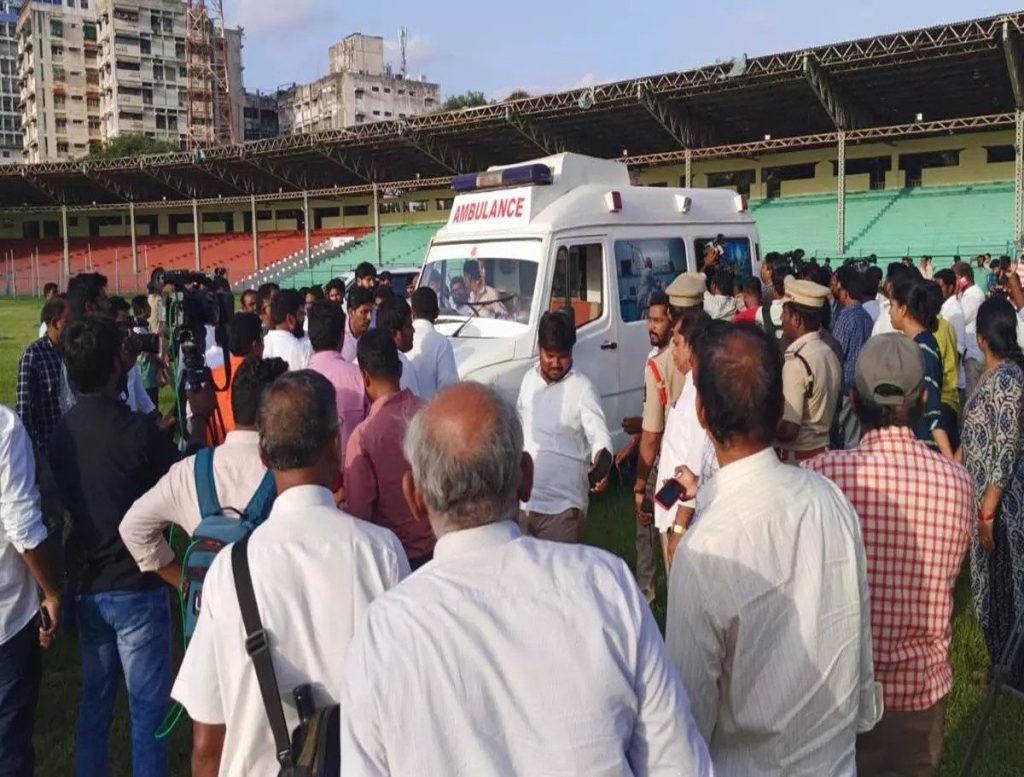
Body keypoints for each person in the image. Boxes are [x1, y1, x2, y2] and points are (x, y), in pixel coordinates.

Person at [339, 382, 714, 776]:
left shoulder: (383, 633)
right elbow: (679, 765)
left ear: (414, 497)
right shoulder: (606, 586)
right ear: (525, 478)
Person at [665, 320, 881, 776]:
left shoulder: (704, 551)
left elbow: (687, 725)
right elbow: (857, 641)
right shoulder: (830, 500)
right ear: (778, 407)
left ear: (702, 414)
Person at [172, 370, 408, 777]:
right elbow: (407, 702)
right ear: (336, 446)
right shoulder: (381, 552)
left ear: (264, 457)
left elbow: (207, 743)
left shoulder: (230, 569)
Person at [803, 333, 973, 775]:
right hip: (919, 699)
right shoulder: (957, 485)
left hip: (838, 694)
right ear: (921, 399)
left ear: (854, 400)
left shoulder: (821, 476)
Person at [47, 316, 191, 777]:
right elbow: (175, 483)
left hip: (88, 579)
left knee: (96, 701)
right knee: (147, 711)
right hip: (136, 583)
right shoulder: (136, 432)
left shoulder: (62, 435)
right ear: (116, 365)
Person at [120, 356, 288, 588]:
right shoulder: (289, 475)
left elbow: (132, 527)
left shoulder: (188, 471)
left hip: (207, 614)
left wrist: (185, 584)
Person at [962, 296, 1024, 691]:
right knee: (993, 583)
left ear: (982, 338)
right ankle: (1000, 667)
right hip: (989, 498)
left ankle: (1007, 673)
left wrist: (987, 511)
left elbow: (1003, 447)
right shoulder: (999, 374)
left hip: (999, 504)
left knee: (1003, 587)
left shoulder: (1007, 380)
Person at [0, 406, 61, 777]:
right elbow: (22, 527)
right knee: (9, 749)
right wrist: (51, 591)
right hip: (7, 620)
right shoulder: (4, 428)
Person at [516, 310, 612, 543]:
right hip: (524, 504)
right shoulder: (529, 380)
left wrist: (602, 465)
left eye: (563, 356)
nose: (556, 364)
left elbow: (600, 437)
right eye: (549, 355)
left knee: (559, 577)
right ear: (539, 348)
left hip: (564, 508)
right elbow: (519, 428)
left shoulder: (582, 388)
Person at [344, 330, 433, 568]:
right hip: (439, 548)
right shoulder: (433, 416)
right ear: (400, 369)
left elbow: (359, 515)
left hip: (393, 559)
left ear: (365, 377)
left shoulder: (363, 438)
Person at [633, 290, 685, 603]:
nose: (652, 326)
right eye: (649, 320)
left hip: (665, 462)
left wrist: (639, 485)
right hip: (679, 460)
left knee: (651, 523)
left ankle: (648, 594)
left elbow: (653, 433)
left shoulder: (659, 365)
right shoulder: (667, 359)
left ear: (672, 319)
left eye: (658, 320)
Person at [652, 304, 712, 565]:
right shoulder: (690, 384)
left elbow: (694, 463)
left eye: (676, 343)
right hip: (674, 507)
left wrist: (679, 530)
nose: (672, 351)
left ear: (692, 346)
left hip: (686, 516)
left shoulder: (699, 393)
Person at [774, 278, 842, 464]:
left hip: (799, 459)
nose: (781, 319)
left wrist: (761, 428)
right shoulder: (828, 351)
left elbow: (790, 429)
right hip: (824, 452)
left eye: (784, 313)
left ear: (796, 319)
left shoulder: (797, 361)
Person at [889, 276, 955, 459]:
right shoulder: (919, 343)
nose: (889, 312)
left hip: (922, 447)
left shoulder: (923, 348)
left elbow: (932, 409)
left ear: (903, 309)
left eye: (891, 306)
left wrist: (951, 463)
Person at [306, 300, 366, 463]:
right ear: (342, 336)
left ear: (311, 335)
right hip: (354, 476)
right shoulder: (360, 377)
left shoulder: (298, 384)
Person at [17, 296, 71, 456]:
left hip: (76, 446)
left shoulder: (73, 351)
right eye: (69, 322)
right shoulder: (34, 356)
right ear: (55, 323)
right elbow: (24, 411)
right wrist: (35, 455)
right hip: (48, 450)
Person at [832, 263, 875, 449]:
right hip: (861, 387)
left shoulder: (846, 317)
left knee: (842, 439)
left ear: (845, 292)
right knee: (855, 440)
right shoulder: (866, 316)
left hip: (845, 389)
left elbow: (837, 353)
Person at [204, 312, 264, 445]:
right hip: (252, 450)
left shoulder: (215, 375)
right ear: (255, 345)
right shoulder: (262, 377)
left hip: (215, 449)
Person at [408, 287, 459, 399]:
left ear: (412, 312)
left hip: (402, 412)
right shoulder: (442, 343)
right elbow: (449, 390)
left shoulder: (402, 340)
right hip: (429, 413)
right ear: (437, 313)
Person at [375, 296, 423, 397]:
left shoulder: (362, 359)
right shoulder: (402, 365)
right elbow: (414, 408)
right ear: (394, 334)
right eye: (408, 326)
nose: (413, 331)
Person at [936, 268, 968, 407]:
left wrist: (949, 382)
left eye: (940, 287)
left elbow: (958, 350)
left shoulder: (955, 312)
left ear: (950, 287)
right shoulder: (943, 308)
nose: (937, 291)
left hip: (951, 385)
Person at [955, 263, 987, 400]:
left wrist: (955, 294)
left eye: (956, 278)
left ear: (964, 279)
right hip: (967, 353)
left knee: (971, 399)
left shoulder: (973, 296)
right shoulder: (967, 294)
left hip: (972, 355)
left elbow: (960, 317)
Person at [261, 289, 312, 372]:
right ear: (290, 319)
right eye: (301, 314)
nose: (304, 318)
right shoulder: (303, 351)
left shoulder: (263, 344)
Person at [341, 286, 374, 363]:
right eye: (364, 312)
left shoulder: (373, 336)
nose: (369, 317)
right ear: (350, 312)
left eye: (371, 311)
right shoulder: (339, 337)